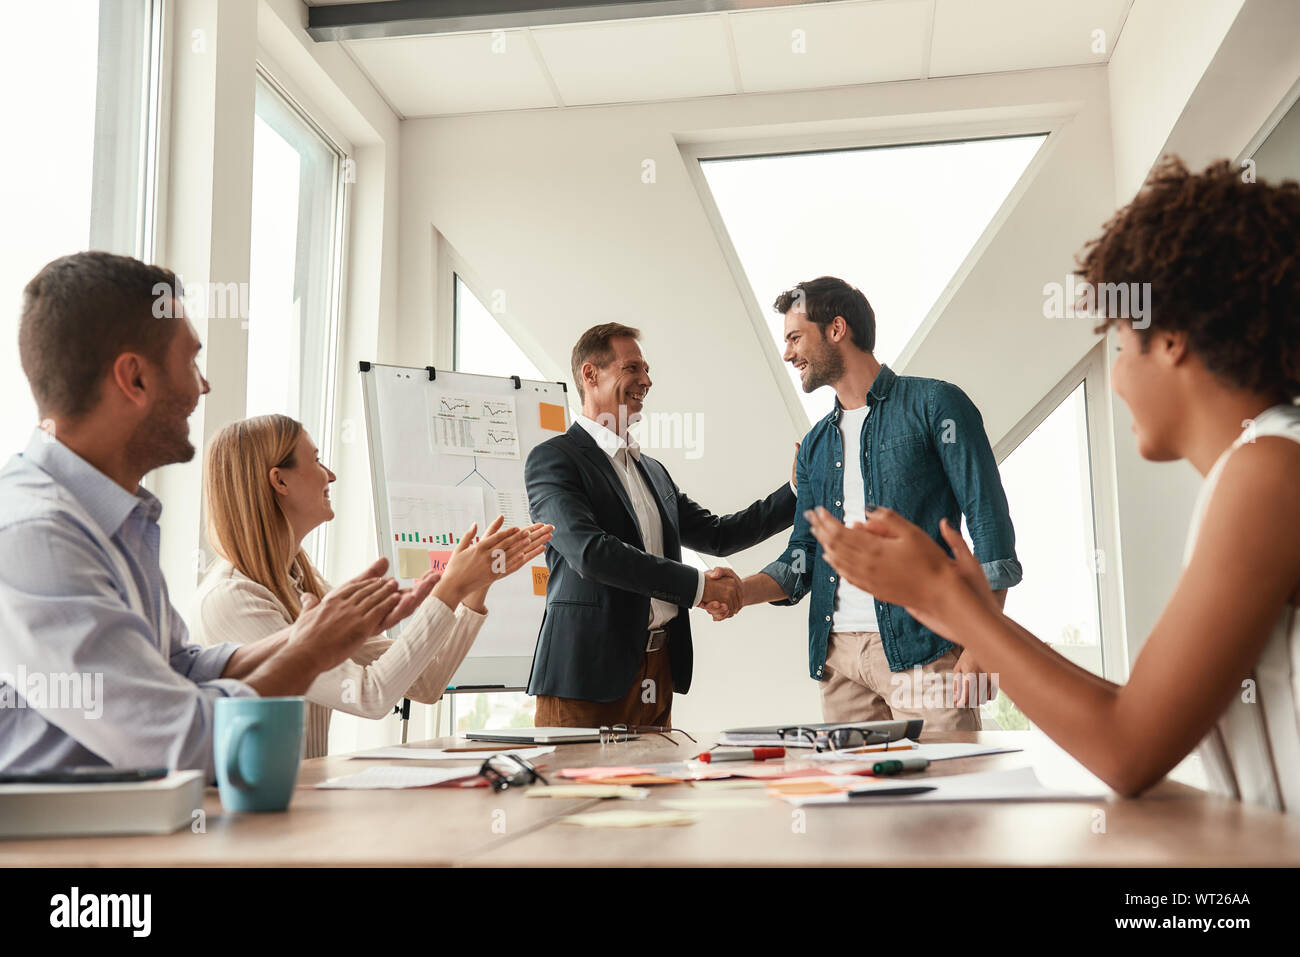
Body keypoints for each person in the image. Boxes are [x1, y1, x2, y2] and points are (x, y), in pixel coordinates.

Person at [804, 156, 1300, 809]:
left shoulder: (1269, 472)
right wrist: (970, 613)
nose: (1117, 375)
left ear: (1172, 338)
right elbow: (1133, 712)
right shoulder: (1264, 463)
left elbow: (1128, 748)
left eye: (1119, 345)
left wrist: (953, 606)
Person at [0, 251, 434, 780]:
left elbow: (179, 669)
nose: (201, 388)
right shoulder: (36, 535)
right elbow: (180, 741)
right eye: (190, 363)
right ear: (133, 379)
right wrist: (311, 649)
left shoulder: (115, 519)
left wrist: (310, 635)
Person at [706, 276, 1022, 731]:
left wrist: (982, 646)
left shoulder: (936, 405)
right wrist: (739, 591)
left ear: (837, 329)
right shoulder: (816, 443)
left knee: (948, 797)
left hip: (925, 651)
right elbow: (804, 556)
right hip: (837, 663)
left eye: (795, 337)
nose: (788, 353)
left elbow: (990, 526)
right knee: (857, 801)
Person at [191, 414, 551, 758]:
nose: (329, 475)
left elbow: (427, 683)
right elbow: (369, 695)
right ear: (279, 481)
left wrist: (475, 588)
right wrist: (450, 588)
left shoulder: (303, 585)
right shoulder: (234, 599)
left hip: (300, 800)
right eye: (315, 460)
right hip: (257, 815)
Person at [524, 322, 797, 728]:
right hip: (585, 675)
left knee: (656, 790)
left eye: (646, 370)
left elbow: (718, 535)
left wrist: (796, 489)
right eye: (632, 368)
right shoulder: (554, 460)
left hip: (658, 670)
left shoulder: (652, 470)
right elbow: (591, 553)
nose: (646, 380)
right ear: (590, 374)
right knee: (576, 793)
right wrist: (700, 587)